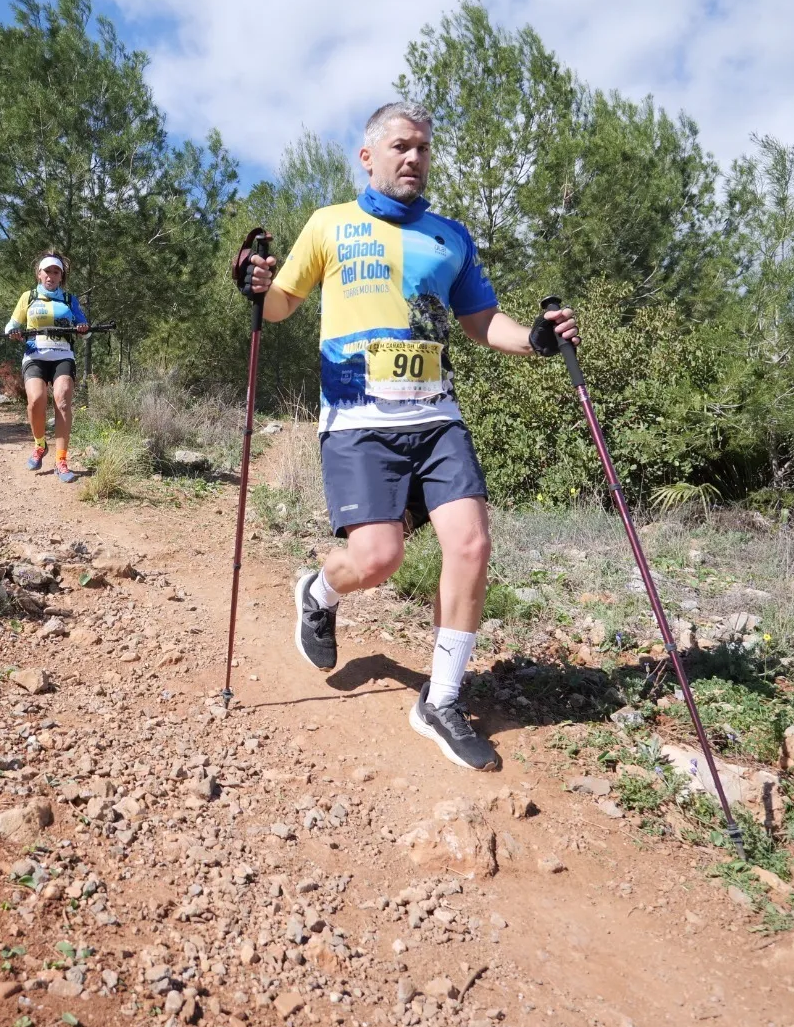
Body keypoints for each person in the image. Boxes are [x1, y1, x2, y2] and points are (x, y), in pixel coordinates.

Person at [241, 100, 579, 771]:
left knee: (471, 542)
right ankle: (319, 591)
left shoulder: (449, 237)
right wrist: (254, 286)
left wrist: (536, 340)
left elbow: (483, 322)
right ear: (368, 157)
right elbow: (280, 305)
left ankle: (442, 700)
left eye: (423, 148)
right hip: (359, 422)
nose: (414, 158)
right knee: (378, 559)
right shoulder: (330, 225)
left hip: (436, 419)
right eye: (401, 146)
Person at [6, 252, 90, 482]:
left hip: (63, 354)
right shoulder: (28, 297)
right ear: (39, 274)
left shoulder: (69, 299)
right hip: (35, 354)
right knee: (36, 400)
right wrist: (12, 332)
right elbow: (12, 325)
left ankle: (61, 460)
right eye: (47, 271)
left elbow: (82, 323)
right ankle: (40, 444)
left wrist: (83, 327)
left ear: (61, 276)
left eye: (56, 272)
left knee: (62, 399)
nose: (51, 276)